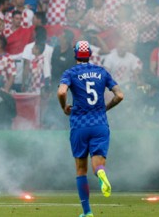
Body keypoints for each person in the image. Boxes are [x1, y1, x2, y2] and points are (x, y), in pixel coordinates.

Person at [57, 41, 125, 217]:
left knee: (81, 169)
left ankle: (87, 212)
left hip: (79, 125)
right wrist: (105, 108)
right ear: (89, 55)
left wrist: (64, 107)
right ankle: (101, 173)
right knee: (98, 163)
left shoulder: (70, 73)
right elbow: (120, 95)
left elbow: (62, 92)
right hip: (100, 124)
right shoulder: (102, 71)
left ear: (75, 55)